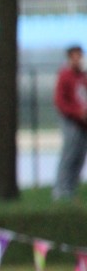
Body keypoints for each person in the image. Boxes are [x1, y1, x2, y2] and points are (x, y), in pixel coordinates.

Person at [52, 44, 87, 201]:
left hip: (84, 122)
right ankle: (60, 189)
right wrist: (76, 112)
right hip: (71, 120)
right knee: (69, 154)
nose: (78, 59)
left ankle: (71, 188)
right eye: (75, 56)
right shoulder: (65, 75)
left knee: (80, 155)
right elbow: (60, 101)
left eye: (80, 56)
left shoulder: (83, 76)